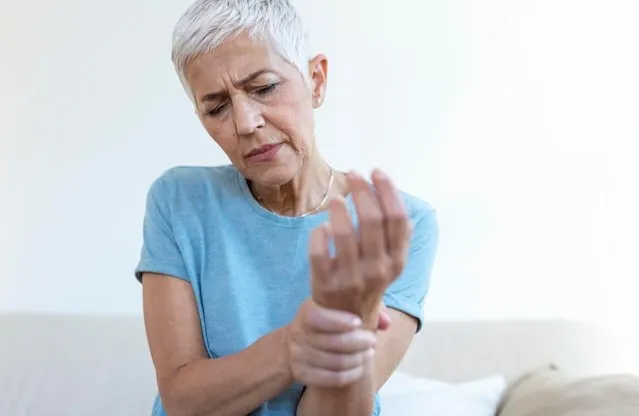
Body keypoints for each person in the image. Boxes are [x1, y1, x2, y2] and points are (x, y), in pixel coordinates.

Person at [134, 0, 439, 414]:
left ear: (316, 81)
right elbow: (183, 401)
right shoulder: (179, 201)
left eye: (264, 88)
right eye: (217, 107)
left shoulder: (400, 224)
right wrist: (294, 345)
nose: (246, 122)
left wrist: (349, 329)